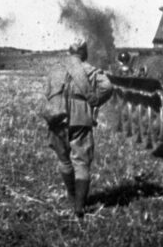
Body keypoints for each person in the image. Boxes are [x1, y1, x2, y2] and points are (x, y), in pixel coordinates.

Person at [42, 39, 114, 218]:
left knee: (64, 160)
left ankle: (72, 197)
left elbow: (47, 91)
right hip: (80, 117)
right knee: (81, 162)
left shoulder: (56, 69)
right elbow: (108, 87)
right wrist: (96, 100)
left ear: (69, 51)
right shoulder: (90, 70)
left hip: (57, 117)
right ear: (83, 52)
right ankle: (79, 207)